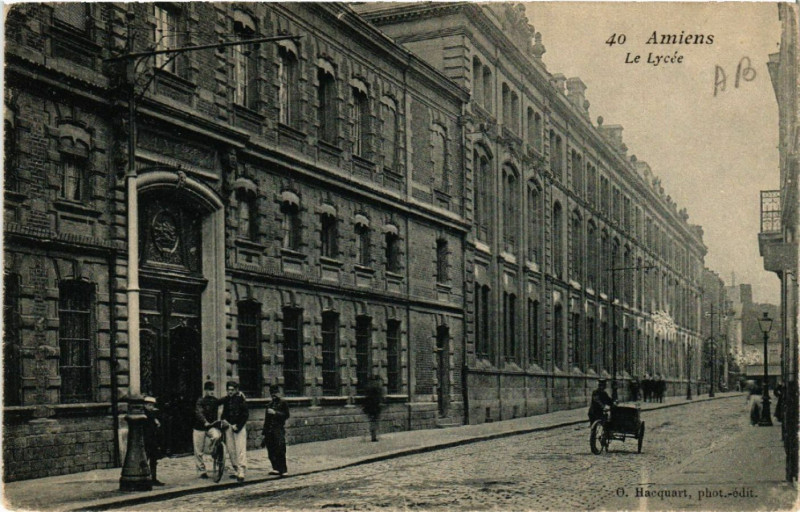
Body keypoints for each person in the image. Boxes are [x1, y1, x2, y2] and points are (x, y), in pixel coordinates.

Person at [220, 381, 249, 482]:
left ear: (236, 390)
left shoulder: (241, 399)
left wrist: (238, 426)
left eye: (232, 390)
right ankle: (236, 469)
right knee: (231, 450)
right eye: (228, 390)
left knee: (240, 449)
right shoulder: (227, 400)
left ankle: (241, 471)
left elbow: (245, 415)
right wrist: (223, 421)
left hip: (238, 428)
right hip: (229, 427)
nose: (230, 392)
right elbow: (224, 413)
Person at [261, 384, 290, 476]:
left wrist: (275, 413)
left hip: (278, 429)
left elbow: (286, 415)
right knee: (271, 450)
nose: (274, 395)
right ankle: (276, 468)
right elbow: (267, 420)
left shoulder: (283, 403)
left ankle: (284, 470)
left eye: (275, 393)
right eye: (272, 393)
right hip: (269, 431)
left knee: (280, 449)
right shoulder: (269, 405)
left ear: (278, 393)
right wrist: (264, 433)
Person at [193, 381, 220, 479]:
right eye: (209, 390)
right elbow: (199, 412)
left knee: (217, 436)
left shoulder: (215, 400)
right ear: (205, 390)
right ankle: (202, 471)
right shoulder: (200, 401)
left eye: (212, 390)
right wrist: (204, 421)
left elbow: (224, 400)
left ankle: (212, 450)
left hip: (210, 427)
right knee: (198, 451)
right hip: (199, 428)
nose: (211, 392)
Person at [143, 396, 165, 486]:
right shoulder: (145, 414)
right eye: (149, 405)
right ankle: (146, 478)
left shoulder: (152, 414)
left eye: (152, 405)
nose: (151, 407)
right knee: (146, 459)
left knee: (153, 460)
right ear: (145, 405)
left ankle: (153, 478)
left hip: (152, 440)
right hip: (147, 440)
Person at [362, 375, 384, 442]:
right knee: (374, 422)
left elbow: (366, 397)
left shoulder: (368, 387)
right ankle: (374, 437)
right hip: (375, 407)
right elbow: (378, 398)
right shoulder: (377, 387)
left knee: (372, 421)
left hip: (369, 407)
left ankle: (373, 435)